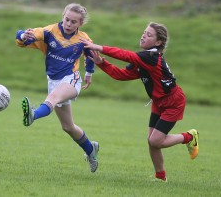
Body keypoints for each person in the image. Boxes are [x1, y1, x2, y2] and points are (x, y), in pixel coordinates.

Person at [80, 22, 199, 181]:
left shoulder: (150, 56)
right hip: (158, 101)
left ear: (158, 43)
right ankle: (160, 177)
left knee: (155, 140)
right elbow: (121, 75)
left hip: (173, 102)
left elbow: (125, 55)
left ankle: (190, 137)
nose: (144, 35)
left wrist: (100, 47)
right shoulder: (143, 60)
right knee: (152, 142)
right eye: (144, 32)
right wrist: (102, 63)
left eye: (149, 35)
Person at [15, 3, 99, 173]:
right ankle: (91, 150)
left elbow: (91, 54)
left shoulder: (83, 39)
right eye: (67, 19)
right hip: (53, 81)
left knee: (52, 99)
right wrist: (24, 35)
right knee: (68, 127)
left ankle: (33, 115)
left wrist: (89, 73)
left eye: (74, 22)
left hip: (71, 80)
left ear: (80, 23)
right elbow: (24, 37)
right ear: (62, 16)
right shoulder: (49, 32)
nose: (69, 24)